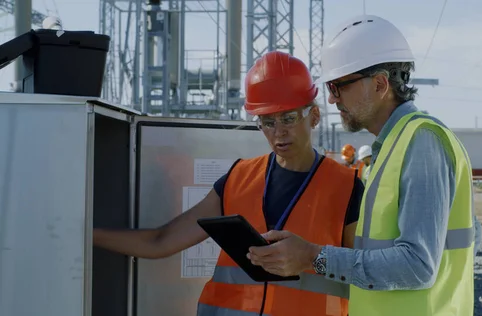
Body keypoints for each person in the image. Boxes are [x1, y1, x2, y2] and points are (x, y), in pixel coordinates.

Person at [93, 51, 364, 316]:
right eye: (267, 122)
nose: (278, 131)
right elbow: (160, 241)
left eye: (289, 118)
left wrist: (312, 259)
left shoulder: (347, 188)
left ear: (314, 116)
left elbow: (365, 271)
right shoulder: (237, 179)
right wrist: (85, 235)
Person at [247, 15, 480, 315]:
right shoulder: (393, 147)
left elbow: (419, 266)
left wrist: (313, 257)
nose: (331, 99)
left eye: (338, 86)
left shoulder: (422, 142)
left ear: (381, 84)